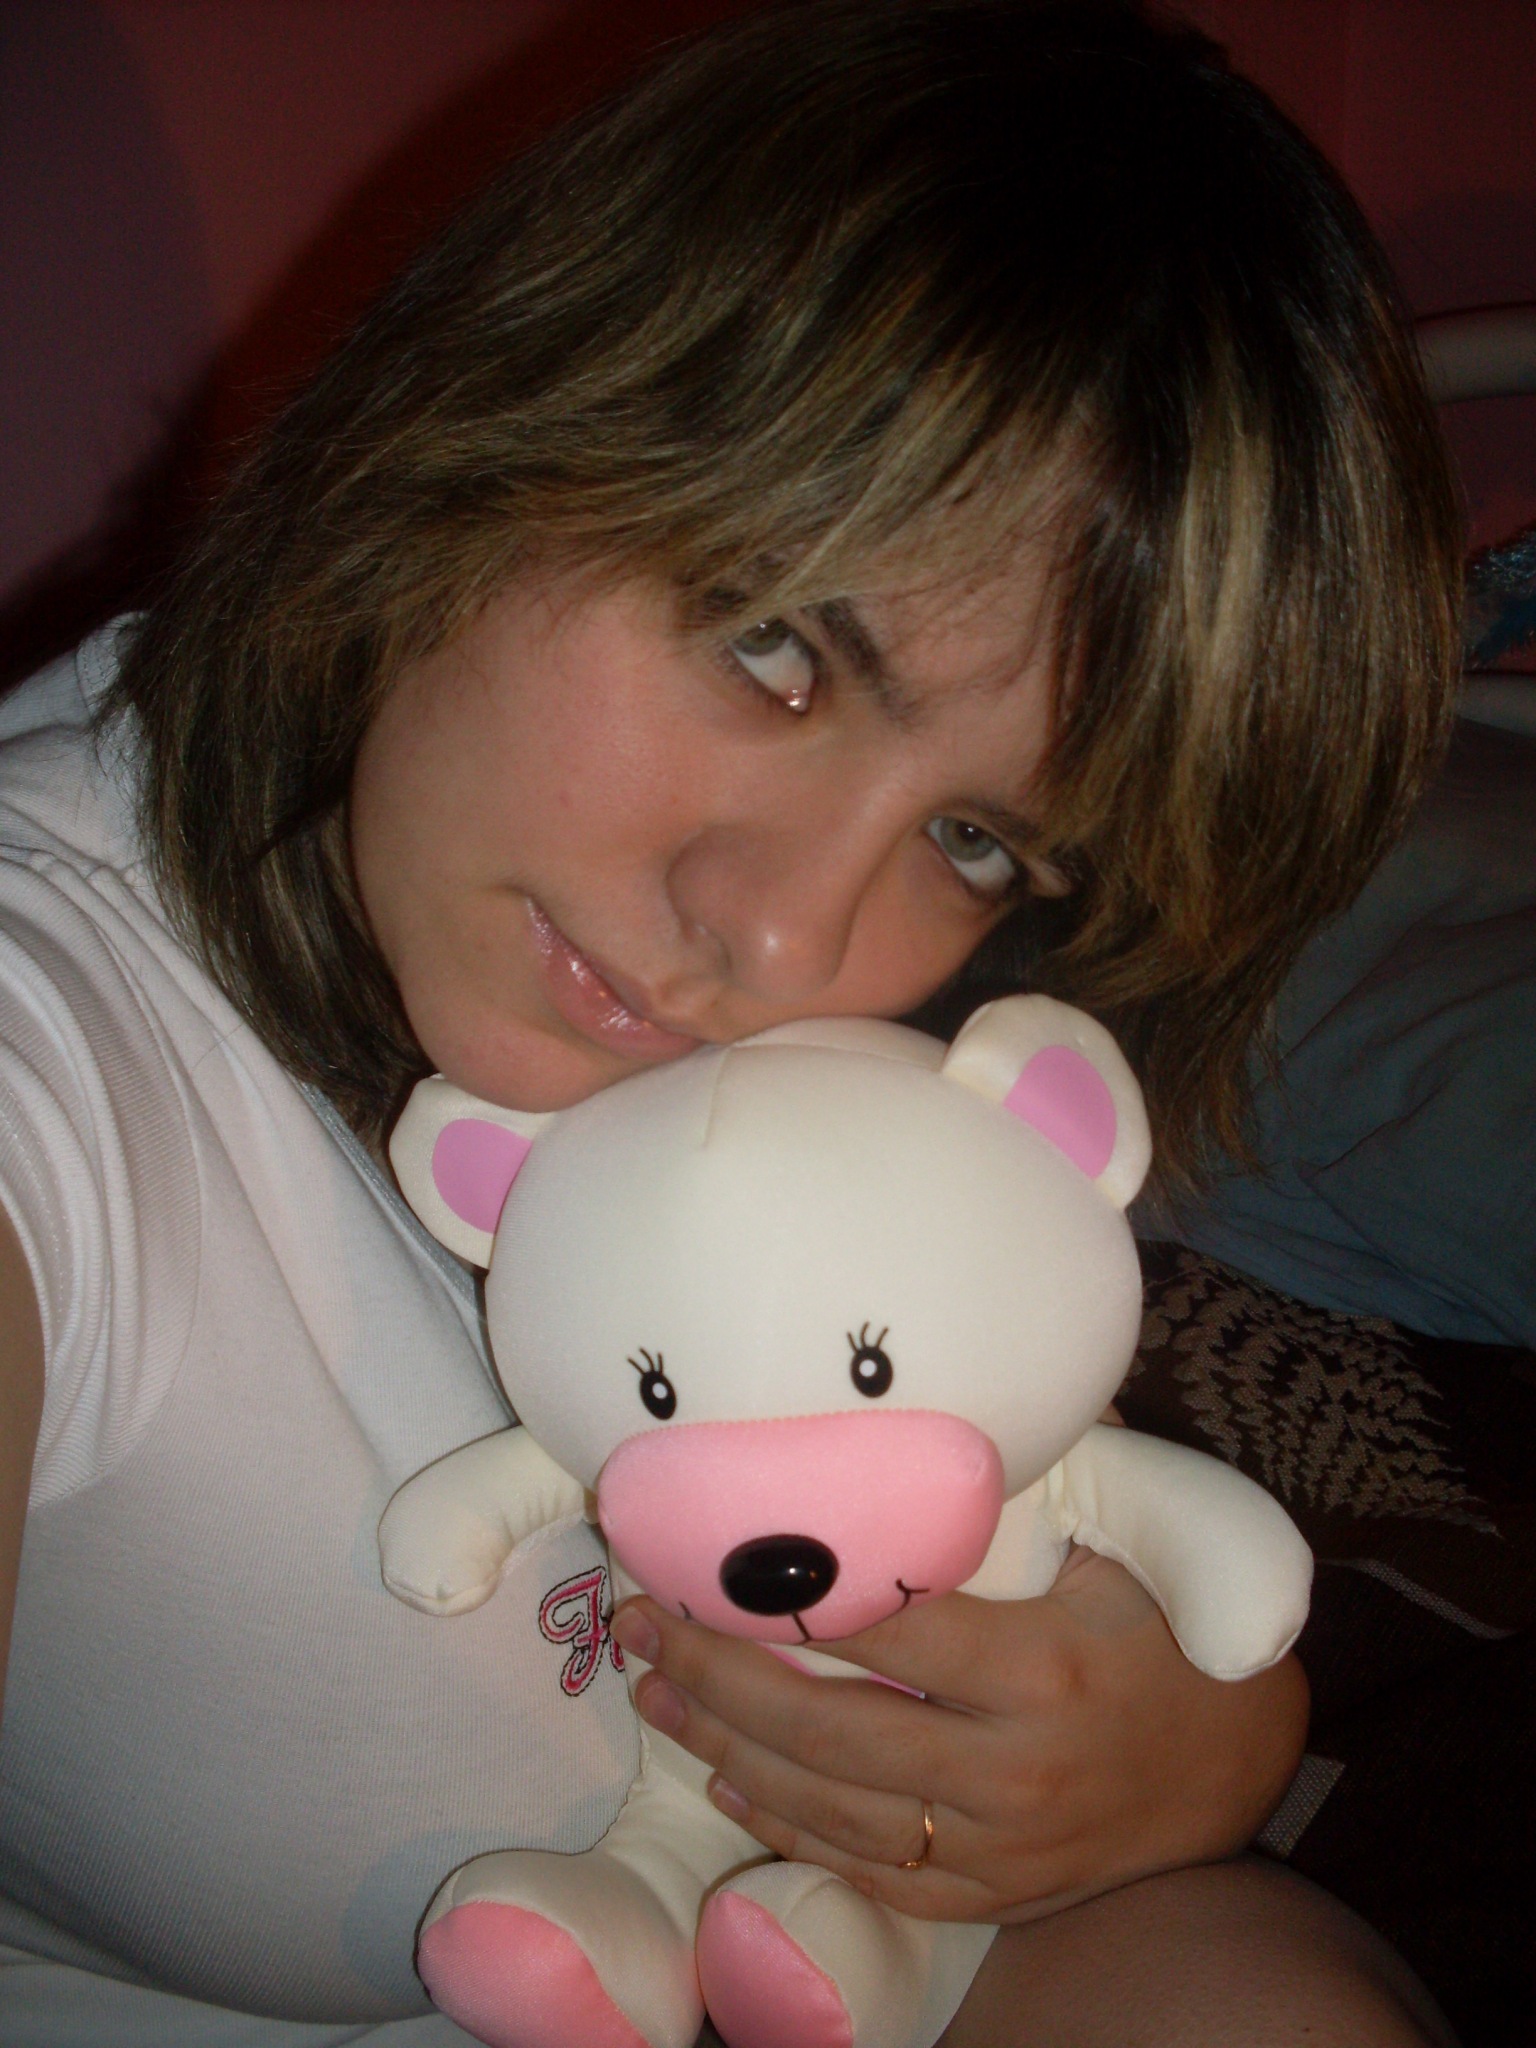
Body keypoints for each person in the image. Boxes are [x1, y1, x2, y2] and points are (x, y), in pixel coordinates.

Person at [0, 2, 1465, 2041]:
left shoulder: (824, 1062)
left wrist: (1201, 1745)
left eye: (972, 837)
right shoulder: (57, 1026)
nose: (786, 940)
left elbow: (1029, 1493)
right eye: (775, 644)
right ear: (512, 393)